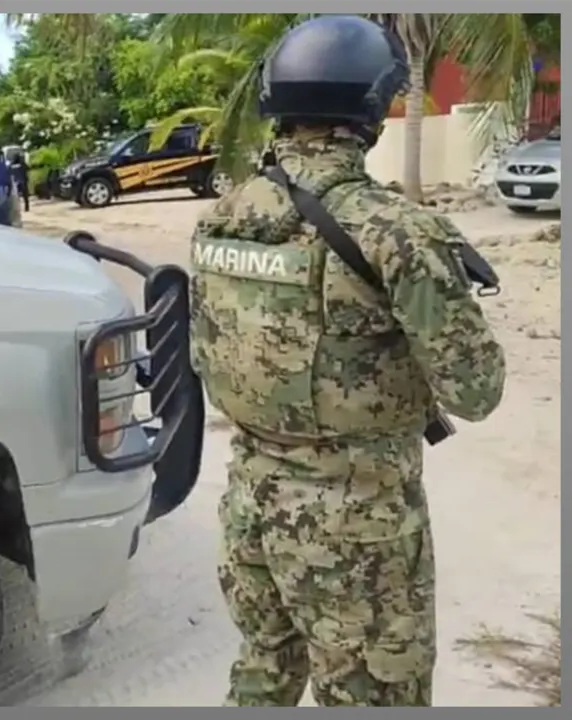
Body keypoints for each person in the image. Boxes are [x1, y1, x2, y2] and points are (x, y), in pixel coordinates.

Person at [189, 16, 507, 707]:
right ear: (374, 109)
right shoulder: (395, 229)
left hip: (252, 505)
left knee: (261, 678)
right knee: (373, 695)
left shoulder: (227, 215)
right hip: (358, 527)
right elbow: (477, 389)